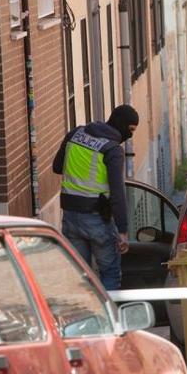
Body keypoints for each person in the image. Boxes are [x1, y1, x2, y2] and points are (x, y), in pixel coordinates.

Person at [53, 105, 139, 290]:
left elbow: (57, 167)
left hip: (70, 216)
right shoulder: (113, 150)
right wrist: (123, 231)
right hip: (96, 219)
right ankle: (109, 317)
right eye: (130, 130)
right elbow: (117, 193)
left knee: (79, 277)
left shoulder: (75, 134)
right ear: (122, 124)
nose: (130, 136)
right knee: (109, 274)